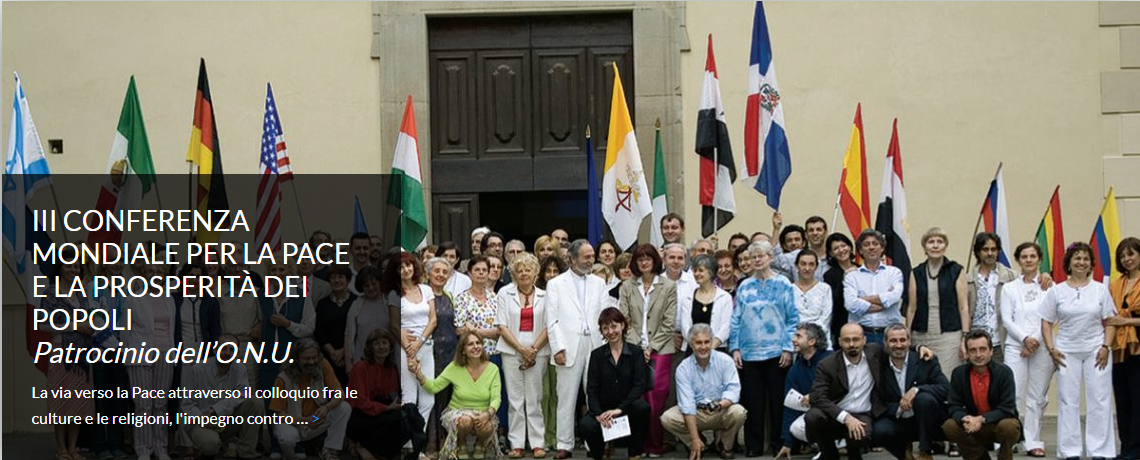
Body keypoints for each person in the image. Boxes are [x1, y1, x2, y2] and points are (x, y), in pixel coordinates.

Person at [1039, 242, 1118, 460]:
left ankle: (1100, 450)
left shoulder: (1100, 290)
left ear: (1091, 263)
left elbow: (1110, 321)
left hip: (1096, 350)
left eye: (1085, 259)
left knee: (1100, 400)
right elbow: (1046, 322)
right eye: (1077, 258)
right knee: (1068, 400)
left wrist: (1105, 347)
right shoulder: (1056, 291)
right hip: (1066, 352)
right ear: (1069, 262)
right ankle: (1070, 450)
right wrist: (1051, 349)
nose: (1081, 262)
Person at [729, 240, 798, 457]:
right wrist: (735, 348)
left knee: (778, 402)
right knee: (752, 402)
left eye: (761, 256)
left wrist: (788, 348)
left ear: (771, 257)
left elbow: (792, 318)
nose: (757, 260)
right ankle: (754, 446)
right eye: (753, 256)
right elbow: (736, 319)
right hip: (749, 353)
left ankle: (780, 444)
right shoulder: (745, 286)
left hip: (777, 352)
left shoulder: (784, 284)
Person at [545, 240, 609, 459]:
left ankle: (596, 444)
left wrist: (604, 346)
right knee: (566, 397)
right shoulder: (556, 284)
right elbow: (551, 321)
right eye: (587, 256)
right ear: (571, 259)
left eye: (592, 256)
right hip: (568, 346)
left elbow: (604, 316)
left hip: (595, 344)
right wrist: (558, 348)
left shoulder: (599, 283)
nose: (591, 260)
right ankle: (564, 444)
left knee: (596, 396)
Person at [619, 243, 678, 457]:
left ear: (655, 261)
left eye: (648, 258)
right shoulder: (627, 286)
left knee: (656, 398)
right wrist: (639, 347)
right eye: (640, 258)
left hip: (661, 349)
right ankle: (638, 445)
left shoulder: (668, 286)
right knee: (638, 399)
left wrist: (651, 347)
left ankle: (655, 445)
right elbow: (623, 320)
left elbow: (668, 322)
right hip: (634, 348)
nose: (644, 262)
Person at [997, 242, 1053, 457]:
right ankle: (1010, 439)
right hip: (1016, 346)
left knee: (1037, 396)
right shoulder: (1010, 288)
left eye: (1032, 256)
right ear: (1018, 260)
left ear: (1039, 259)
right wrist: (1024, 338)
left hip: (1043, 346)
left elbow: (1050, 316)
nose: (1029, 260)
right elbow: (1007, 319)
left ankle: (1033, 441)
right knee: (1014, 394)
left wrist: (1036, 341)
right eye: (1024, 256)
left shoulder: (1049, 286)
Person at [412, 331, 503, 460]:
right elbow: (434, 387)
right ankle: (461, 444)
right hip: (458, 411)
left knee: (487, 426)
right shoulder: (454, 367)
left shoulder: (493, 369)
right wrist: (419, 374)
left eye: (478, 343)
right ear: (463, 350)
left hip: (483, 412)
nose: (476, 346)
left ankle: (480, 444)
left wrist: (487, 414)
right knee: (465, 421)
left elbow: (496, 398)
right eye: (470, 344)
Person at [662, 323, 747, 460]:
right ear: (691, 344)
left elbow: (733, 391)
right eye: (698, 343)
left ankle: (724, 445)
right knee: (667, 418)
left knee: (739, 412)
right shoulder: (683, 368)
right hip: (696, 412)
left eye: (707, 342)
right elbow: (687, 405)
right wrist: (694, 438)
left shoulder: (725, 361)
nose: (703, 347)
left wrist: (719, 405)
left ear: (712, 342)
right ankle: (697, 443)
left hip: (720, 409)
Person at [122, 252, 177, 460]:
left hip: (165, 354)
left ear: (163, 275)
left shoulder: (168, 298)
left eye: (158, 271)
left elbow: (170, 328)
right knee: (143, 405)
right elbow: (126, 331)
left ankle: (160, 448)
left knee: (160, 404)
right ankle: (143, 449)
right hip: (140, 356)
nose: (154, 274)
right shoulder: (133, 299)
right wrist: (129, 356)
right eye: (150, 271)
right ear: (143, 274)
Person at [496, 253, 550, 458]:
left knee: (534, 398)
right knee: (515, 399)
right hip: (511, 350)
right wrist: (522, 349)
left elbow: (549, 325)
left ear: (535, 273)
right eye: (519, 270)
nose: (524, 273)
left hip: (539, 351)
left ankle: (538, 443)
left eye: (528, 270)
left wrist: (533, 350)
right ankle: (516, 443)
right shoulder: (504, 293)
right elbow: (501, 325)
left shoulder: (547, 295)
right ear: (513, 274)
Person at [804, 323, 885, 460]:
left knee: (861, 435)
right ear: (840, 342)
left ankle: (854, 454)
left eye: (856, 339)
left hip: (862, 414)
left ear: (864, 340)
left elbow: (897, 348)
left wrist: (919, 347)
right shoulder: (827, 364)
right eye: (847, 340)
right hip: (835, 414)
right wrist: (846, 417)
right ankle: (829, 454)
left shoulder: (875, 352)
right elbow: (818, 397)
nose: (852, 344)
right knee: (813, 416)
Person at [579, 308, 651, 460]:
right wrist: (599, 414)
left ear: (623, 326)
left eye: (614, 326)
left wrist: (619, 409)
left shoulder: (636, 352)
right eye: (605, 328)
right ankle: (598, 456)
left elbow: (639, 386)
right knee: (586, 425)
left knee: (642, 408)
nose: (610, 331)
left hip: (626, 408)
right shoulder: (596, 355)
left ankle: (634, 454)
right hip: (604, 411)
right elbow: (591, 389)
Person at [873, 324, 949, 460]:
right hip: (896, 418)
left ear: (909, 341)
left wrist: (916, 390)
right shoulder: (878, 364)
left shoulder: (925, 360)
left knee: (924, 399)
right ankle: (904, 456)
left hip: (925, 419)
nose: (898, 345)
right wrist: (899, 408)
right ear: (885, 343)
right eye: (893, 341)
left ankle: (925, 451)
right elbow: (877, 400)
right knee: (879, 430)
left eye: (902, 340)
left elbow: (945, 388)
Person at [181, 333, 263, 460]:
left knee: (255, 402)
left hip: (226, 421)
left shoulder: (239, 368)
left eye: (232, 349)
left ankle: (245, 452)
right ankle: (210, 447)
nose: (227, 353)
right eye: (224, 348)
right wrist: (202, 418)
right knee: (211, 445)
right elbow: (187, 405)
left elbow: (242, 394)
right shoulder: (197, 370)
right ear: (215, 349)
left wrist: (215, 411)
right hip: (200, 423)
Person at [941, 330, 1020, 460]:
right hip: (971, 425)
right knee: (950, 426)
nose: (978, 355)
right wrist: (965, 418)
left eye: (982, 349)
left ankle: (1004, 455)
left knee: (1009, 427)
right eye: (973, 350)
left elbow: (1007, 407)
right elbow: (953, 405)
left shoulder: (1004, 372)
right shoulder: (959, 374)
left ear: (991, 351)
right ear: (967, 353)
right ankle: (980, 457)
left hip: (997, 424)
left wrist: (981, 419)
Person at [44, 256, 94, 460]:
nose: (73, 269)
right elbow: (43, 324)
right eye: (68, 265)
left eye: (76, 266)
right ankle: (61, 448)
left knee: (78, 403)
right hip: (60, 351)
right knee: (60, 402)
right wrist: (75, 326)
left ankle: (73, 448)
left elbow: (89, 317)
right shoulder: (51, 292)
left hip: (82, 352)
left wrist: (91, 325)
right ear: (60, 268)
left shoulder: (81, 294)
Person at [269, 338, 352, 460]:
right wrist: (304, 421)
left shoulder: (322, 364)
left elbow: (340, 394)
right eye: (307, 359)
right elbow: (278, 415)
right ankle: (289, 456)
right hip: (293, 423)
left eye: (314, 357)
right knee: (287, 437)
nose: (312, 362)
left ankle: (329, 450)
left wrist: (326, 407)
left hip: (316, 419)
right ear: (296, 359)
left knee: (344, 407)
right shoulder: (283, 378)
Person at [906, 227, 969, 377]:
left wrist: (964, 337)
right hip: (921, 334)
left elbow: (963, 306)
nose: (935, 245)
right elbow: (911, 308)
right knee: (923, 377)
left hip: (949, 336)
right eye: (931, 242)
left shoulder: (956, 270)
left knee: (948, 376)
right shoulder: (916, 272)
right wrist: (907, 333)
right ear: (924, 247)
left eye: (940, 242)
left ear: (945, 246)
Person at [455, 255, 506, 431]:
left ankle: (498, 432)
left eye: (485, 270)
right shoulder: (462, 298)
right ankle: (475, 434)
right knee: (476, 395)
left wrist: (476, 331)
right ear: (469, 273)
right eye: (477, 270)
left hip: (495, 354)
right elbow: (460, 329)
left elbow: (500, 331)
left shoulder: (496, 298)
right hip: (473, 357)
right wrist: (486, 333)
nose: (482, 273)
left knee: (496, 395)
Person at [347, 329, 416, 460]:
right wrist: (387, 408)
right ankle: (363, 447)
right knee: (394, 420)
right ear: (370, 348)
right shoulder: (360, 367)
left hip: (382, 411)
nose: (381, 347)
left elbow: (391, 397)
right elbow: (361, 402)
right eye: (377, 343)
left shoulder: (391, 369)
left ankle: (373, 451)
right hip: (360, 415)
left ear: (390, 347)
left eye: (385, 343)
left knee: (410, 418)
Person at [388, 252, 439, 426]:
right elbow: (395, 326)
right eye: (400, 267)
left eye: (408, 265)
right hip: (405, 349)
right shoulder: (394, 295)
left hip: (425, 346)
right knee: (409, 399)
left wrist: (419, 342)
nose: (406, 270)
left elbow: (433, 320)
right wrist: (410, 349)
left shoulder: (426, 289)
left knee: (428, 399)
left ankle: (418, 441)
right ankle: (408, 445)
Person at [258, 257, 317, 393]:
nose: (277, 273)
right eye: (273, 269)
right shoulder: (261, 295)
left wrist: (288, 324)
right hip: (268, 356)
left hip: (293, 356)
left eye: (281, 269)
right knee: (270, 397)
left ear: (289, 271)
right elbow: (257, 319)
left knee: (293, 398)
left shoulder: (302, 296)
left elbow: (309, 327)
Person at [776, 323, 831, 459]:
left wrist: (814, 397)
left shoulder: (831, 360)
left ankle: (839, 444)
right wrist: (787, 444)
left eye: (798, 336)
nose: (793, 339)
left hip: (840, 412)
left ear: (812, 342)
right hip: (815, 415)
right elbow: (790, 406)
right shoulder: (795, 370)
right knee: (796, 427)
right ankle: (829, 446)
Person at [844, 229, 904, 346]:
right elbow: (850, 304)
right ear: (860, 250)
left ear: (882, 248)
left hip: (890, 334)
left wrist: (862, 299)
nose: (871, 247)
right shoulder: (852, 276)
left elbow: (895, 297)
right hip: (862, 334)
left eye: (875, 244)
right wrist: (884, 303)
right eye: (866, 244)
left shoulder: (894, 273)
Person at [427, 256, 462, 456]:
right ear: (428, 273)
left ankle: (447, 442)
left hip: (451, 352)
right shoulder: (424, 295)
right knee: (432, 397)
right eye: (437, 271)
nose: (440, 275)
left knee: (448, 397)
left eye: (444, 272)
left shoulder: (449, 296)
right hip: (431, 352)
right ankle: (431, 441)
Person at [1109, 237, 1140, 460]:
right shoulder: (1115, 284)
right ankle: (1126, 446)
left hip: (1139, 346)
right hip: (1119, 349)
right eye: (1122, 256)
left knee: (1139, 399)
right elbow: (1109, 315)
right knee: (1123, 398)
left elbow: (1121, 318)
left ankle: (1137, 448)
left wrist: (1126, 321)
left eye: (1131, 254)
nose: (1127, 259)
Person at [966, 233, 1017, 363]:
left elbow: (1030, 282)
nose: (990, 253)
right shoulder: (967, 279)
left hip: (1000, 342)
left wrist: (1044, 276)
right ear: (977, 252)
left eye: (993, 249)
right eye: (985, 249)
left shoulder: (1011, 277)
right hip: (975, 344)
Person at [345, 266, 400, 373]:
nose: (370, 288)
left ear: (380, 282)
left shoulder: (389, 302)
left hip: (388, 362)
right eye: (366, 285)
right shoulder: (356, 305)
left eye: (374, 284)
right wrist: (348, 363)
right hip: (361, 362)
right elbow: (347, 334)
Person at [536, 254, 566, 450]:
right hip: (539, 348)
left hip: (558, 348)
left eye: (556, 271)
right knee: (543, 394)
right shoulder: (536, 294)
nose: (552, 275)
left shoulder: (564, 293)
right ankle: (542, 436)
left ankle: (554, 436)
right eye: (548, 271)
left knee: (557, 394)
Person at [678, 254, 732, 354]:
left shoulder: (725, 297)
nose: (697, 273)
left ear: (711, 272)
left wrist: (711, 346)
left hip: (717, 350)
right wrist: (697, 346)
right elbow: (685, 326)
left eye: (701, 270)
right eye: (695, 270)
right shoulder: (688, 297)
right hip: (692, 350)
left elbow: (726, 326)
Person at [315, 265, 356, 386]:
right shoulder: (322, 303)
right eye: (333, 277)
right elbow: (318, 331)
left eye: (340, 277)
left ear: (348, 280)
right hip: (328, 358)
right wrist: (333, 353)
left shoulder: (356, 302)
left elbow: (357, 330)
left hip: (350, 356)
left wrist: (343, 352)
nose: (336, 280)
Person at [792, 250, 832, 347]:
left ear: (816, 267)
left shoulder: (825, 288)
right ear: (797, 266)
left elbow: (826, 317)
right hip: (796, 343)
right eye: (803, 264)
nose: (807, 268)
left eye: (811, 264)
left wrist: (810, 335)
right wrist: (801, 336)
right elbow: (788, 319)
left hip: (820, 341)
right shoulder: (788, 289)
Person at [823, 234, 856, 348]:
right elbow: (834, 302)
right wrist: (844, 280)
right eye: (836, 248)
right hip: (842, 323)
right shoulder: (829, 275)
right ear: (831, 253)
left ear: (850, 247)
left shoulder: (861, 268)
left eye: (844, 245)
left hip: (863, 322)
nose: (841, 250)